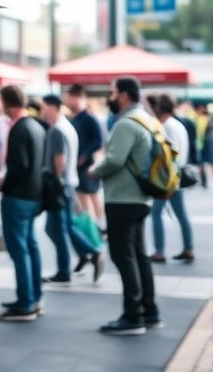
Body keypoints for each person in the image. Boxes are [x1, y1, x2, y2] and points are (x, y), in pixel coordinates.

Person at [88, 77, 161, 335]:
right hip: (141, 197)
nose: (110, 97)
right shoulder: (147, 119)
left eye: (112, 92)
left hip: (123, 197)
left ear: (124, 95)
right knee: (139, 255)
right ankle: (149, 311)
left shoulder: (125, 124)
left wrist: (94, 170)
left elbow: (114, 160)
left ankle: (133, 316)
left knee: (123, 256)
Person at [39, 94, 104, 285]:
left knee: (57, 228)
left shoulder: (57, 130)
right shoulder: (68, 126)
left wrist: (55, 182)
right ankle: (87, 253)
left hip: (60, 186)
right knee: (61, 226)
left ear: (53, 107)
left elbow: (60, 159)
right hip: (69, 183)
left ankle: (81, 258)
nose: (42, 111)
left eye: (44, 107)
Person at [0, 85, 46, 322]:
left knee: (20, 250)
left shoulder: (19, 129)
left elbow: (19, 166)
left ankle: (25, 302)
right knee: (30, 247)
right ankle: (33, 297)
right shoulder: (36, 126)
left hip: (18, 196)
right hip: (34, 195)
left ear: (6, 102)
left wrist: (2, 184)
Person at [147, 94, 195, 264]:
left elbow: (168, 155)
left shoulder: (167, 126)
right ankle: (188, 248)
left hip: (169, 176)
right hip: (178, 173)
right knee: (181, 214)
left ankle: (159, 251)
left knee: (156, 213)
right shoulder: (178, 125)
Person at [64, 84, 106, 235]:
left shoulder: (89, 118)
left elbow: (98, 141)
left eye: (68, 98)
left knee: (90, 197)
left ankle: (97, 228)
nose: (66, 102)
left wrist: (85, 155)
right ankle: (95, 227)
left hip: (86, 166)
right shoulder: (76, 118)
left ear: (77, 98)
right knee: (86, 197)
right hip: (79, 165)